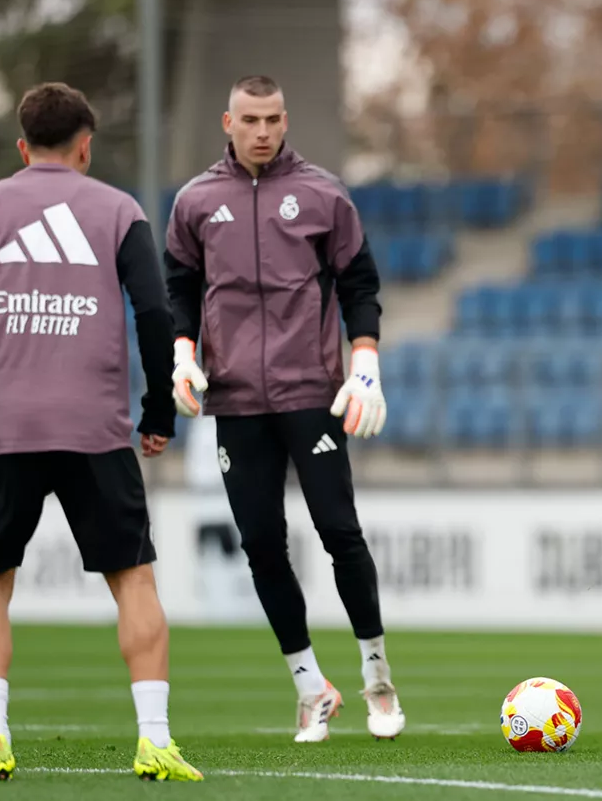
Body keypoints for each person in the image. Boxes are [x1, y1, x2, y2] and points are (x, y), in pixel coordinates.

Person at [0, 82, 203, 781]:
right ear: (86, 144)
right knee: (134, 581)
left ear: (22, 146)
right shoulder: (117, 210)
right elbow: (156, 314)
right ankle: (155, 741)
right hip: (96, 432)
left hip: (6, 431)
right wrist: (158, 413)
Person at [164, 74, 402, 743]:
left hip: (312, 392)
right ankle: (309, 687)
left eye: (273, 118)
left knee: (338, 531)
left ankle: (377, 675)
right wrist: (183, 355)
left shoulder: (324, 194)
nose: (263, 130)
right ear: (227, 122)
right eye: (251, 119)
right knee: (262, 544)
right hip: (236, 400)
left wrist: (366, 368)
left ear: (285, 119)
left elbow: (360, 287)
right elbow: (178, 286)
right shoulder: (195, 202)